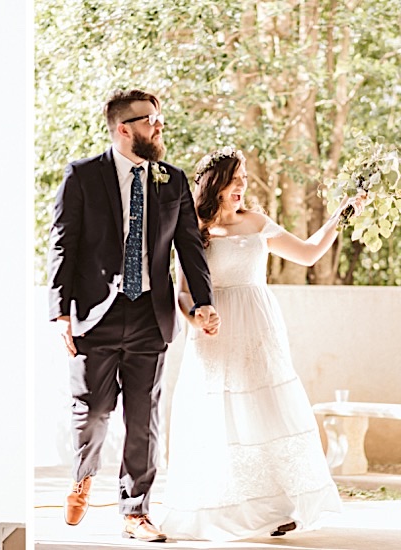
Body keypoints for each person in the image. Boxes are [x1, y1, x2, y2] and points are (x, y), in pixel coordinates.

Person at [158, 147, 361, 541]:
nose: (242, 186)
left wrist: (343, 211)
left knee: (268, 410)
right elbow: (181, 291)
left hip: (259, 329)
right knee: (221, 416)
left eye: (244, 178)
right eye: (235, 179)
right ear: (214, 184)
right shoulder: (193, 228)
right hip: (215, 333)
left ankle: (279, 506)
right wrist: (197, 316)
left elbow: (308, 253)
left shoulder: (257, 221)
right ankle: (226, 507)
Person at [46, 88, 219, 542]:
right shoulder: (82, 176)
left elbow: (189, 249)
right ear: (124, 129)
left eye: (159, 119)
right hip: (94, 314)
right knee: (94, 410)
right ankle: (83, 475)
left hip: (151, 314)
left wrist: (203, 303)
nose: (158, 126)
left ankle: (136, 510)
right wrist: (60, 313)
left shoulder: (172, 180)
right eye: (150, 120)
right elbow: (63, 243)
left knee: (144, 416)